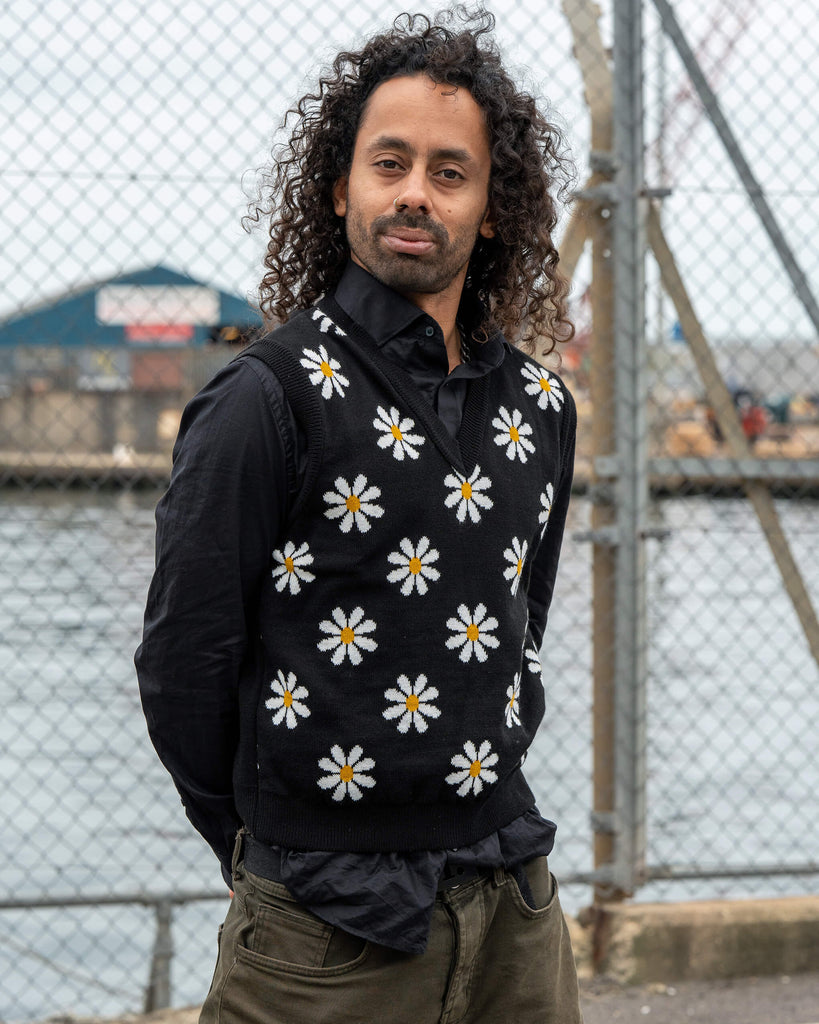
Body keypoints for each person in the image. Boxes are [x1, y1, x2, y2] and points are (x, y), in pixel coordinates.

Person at [136, 8, 582, 1023]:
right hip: (321, 934)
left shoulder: (542, 408)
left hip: (514, 906)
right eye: (390, 162)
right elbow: (184, 662)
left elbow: (520, 627)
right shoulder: (266, 398)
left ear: (494, 208)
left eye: (450, 169)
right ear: (341, 187)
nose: (415, 191)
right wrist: (269, 855)